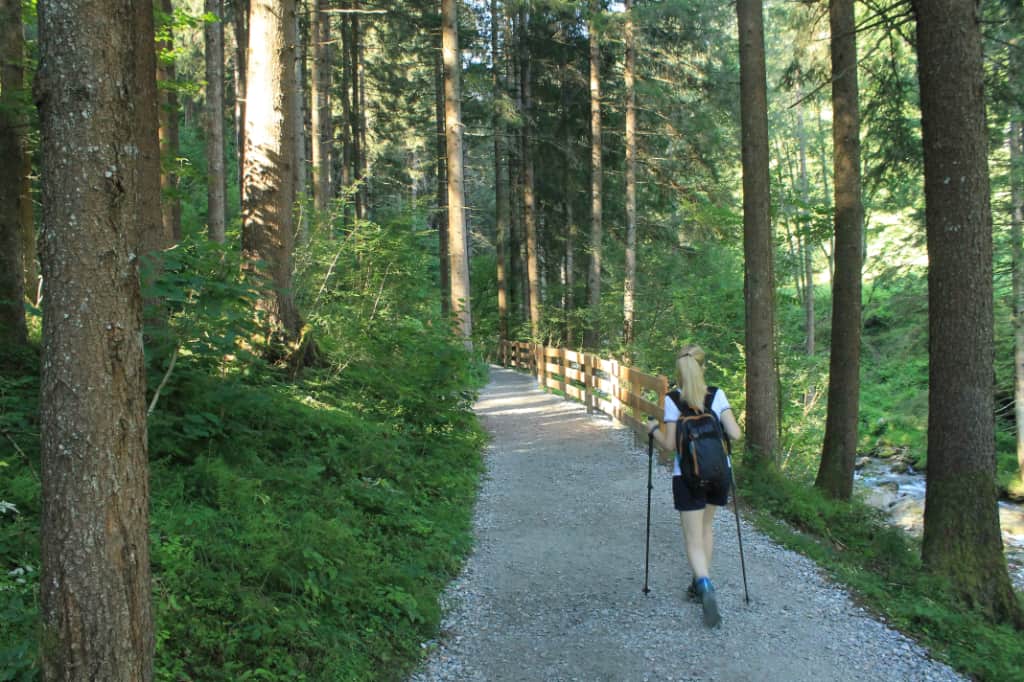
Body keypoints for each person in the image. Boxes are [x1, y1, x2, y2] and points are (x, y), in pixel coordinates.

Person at [648, 344, 741, 628]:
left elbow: (668, 446)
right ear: (703, 367)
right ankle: (698, 582)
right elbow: (735, 435)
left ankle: (704, 584)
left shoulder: (672, 400)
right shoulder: (717, 394)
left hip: (687, 475)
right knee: (706, 528)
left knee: (692, 536)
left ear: (679, 371)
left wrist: (652, 429)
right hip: (718, 472)